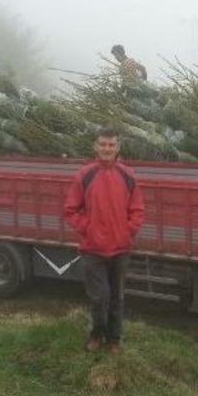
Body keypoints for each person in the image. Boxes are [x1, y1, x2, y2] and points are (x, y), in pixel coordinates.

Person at [63, 127, 145, 355]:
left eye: (111, 145)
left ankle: (114, 340)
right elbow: (71, 209)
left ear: (117, 148)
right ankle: (96, 334)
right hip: (93, 249)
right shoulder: (85, 175)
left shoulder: (128, 175)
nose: (107, 149)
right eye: (103, 144)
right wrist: (87, 229)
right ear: (95, 147)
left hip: (121, 249)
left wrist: (127, 231)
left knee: (117, 297)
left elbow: (137, 209)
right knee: (100, 297)